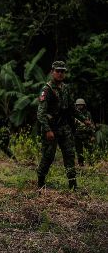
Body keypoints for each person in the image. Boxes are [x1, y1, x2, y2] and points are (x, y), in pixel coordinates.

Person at [36, 61, 77, 190]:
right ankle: (40, 183)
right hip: (51, 128)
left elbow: (72, 108)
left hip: (64, 128)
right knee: (48, 156)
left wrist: (84, 119)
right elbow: (41, 113)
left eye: (62, 71)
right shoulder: (46, 89)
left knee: (69, 155)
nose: (60, 73)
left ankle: (73, 185)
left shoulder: (66, 88)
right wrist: (48, 130)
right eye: (57, 71)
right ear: (52, 72)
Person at [73, 98, 96, 167]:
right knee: (79, 151)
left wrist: (93, 135)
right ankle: (81, 164)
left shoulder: (88, 114)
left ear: (84, 105)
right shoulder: (74, 114)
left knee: (89, 150)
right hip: (77, 135)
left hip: (86, 134)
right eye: (78, 105)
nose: (80, 106)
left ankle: (91, 163)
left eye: (81, 105)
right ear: (76, 105)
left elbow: (91, 124)